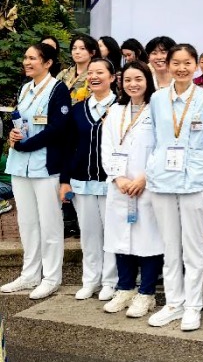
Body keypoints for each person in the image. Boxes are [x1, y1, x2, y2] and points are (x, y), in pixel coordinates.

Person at [146, 44, 203, 331]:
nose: (181, 68)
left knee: (193, 247)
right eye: (176, 62)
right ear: (168, 65)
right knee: (169, 246)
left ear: (196, 65)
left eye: (187, 62)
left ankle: (193, 306)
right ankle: (174, 303)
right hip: (163, 179)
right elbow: (155, 137)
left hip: (194, 179)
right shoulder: (157, 98)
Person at [1, 43, 70, 300]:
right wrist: (13, 135)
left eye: (33, 58)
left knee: (50, 224)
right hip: (20, 165)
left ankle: (51, 277)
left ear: (48, 63)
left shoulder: (58, 89)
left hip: (44, 166)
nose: (27, 62)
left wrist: (27, 144)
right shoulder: (25, 88)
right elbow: (21, 121)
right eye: (26, 58)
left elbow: (57, 129)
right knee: (27, 223)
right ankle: (30, 274)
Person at [100, 61, 164, 317]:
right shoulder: (115, 112)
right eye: (127, 80)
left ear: (148, 81)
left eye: (138, 79)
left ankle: (146, 293)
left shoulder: (157, 111)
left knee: (149, 240)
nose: (133, 84)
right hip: (121, 187)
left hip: (146, 187)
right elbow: (106, 147)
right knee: (120, 239)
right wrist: (118, 178)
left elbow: (161, 148)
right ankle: (125, 288)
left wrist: (144, 179)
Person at [60, 58, 119, 301]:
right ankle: (90, 280)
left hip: (112, 182)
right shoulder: (77, 110)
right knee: (89, 234)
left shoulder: (121, 108)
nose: (94, 76)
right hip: (81, 182)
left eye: (100, 72)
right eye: (91, 73)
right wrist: (65, 180)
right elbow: (68, 147)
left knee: (112, 234)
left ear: (112, 77)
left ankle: (111, 281)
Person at [58, 34, 100, 104]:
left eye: (82, 48)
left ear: (92, 53)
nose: (77, 52)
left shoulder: (96, 75)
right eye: (74, 48)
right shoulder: (64, 73)